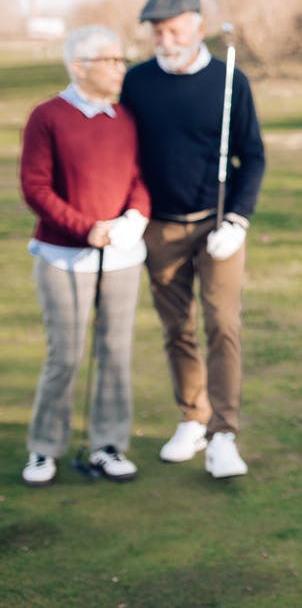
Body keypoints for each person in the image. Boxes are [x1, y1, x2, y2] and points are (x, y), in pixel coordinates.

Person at [120, 0, 265, 479]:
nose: (166, 41)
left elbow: (253, 156)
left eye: (174, 31)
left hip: (217, 224)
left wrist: (238, 220)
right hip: (159, 226)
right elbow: (127, 156)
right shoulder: (138, 82)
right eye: (157, 33)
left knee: (222, 324)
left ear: (199, 28)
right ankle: (193, 418)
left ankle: (224, 433)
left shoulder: (230, 81)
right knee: (176, 328)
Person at [20, 25, 150, 486]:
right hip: (63, 257)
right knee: (66, 355)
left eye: (121, 60)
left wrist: (135, 215)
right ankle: (44, 447)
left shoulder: (125, 117)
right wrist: (85, 228)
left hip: (121, 257)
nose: (120, 68)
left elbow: (138, 177)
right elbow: (36, 188)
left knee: (115, 352)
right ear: (79, 67)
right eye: (110, 61)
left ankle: (108, 444)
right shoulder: (48, 116)